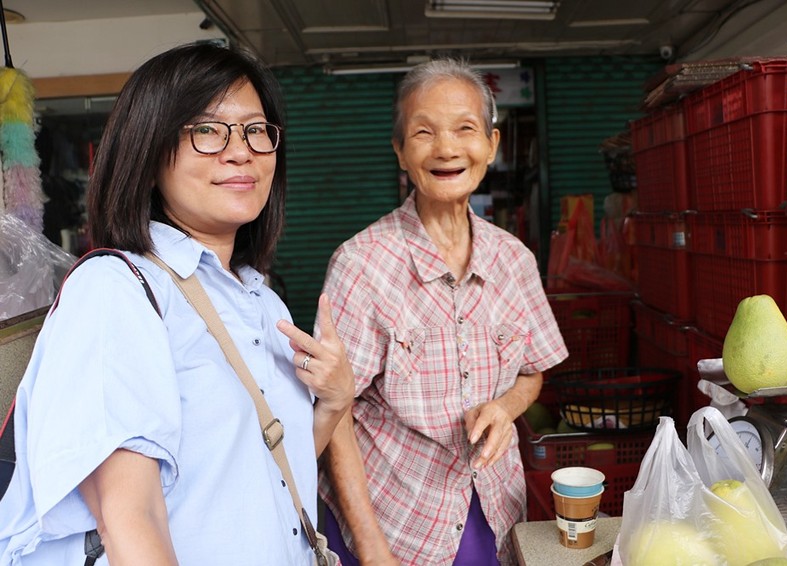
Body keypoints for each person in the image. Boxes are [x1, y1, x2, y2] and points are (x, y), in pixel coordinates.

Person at [0, 42, 354, 565]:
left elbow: (255, 474)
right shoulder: (117, 291)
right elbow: (131, 523)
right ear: (148, 152)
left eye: (257, 129)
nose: (242, 151)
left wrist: (333, 406)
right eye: (208, 130)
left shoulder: (264, 302)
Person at [318, 58, 568, 565]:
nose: (447, 148)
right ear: (401, 152)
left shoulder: (513, 259)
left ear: (492, 145)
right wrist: (370, 547)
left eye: (465, 129)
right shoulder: (362, 264)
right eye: (424, 132)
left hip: (495, 510)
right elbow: (334, 410)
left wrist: (505, 408)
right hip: (395, 519)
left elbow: (532, 371)